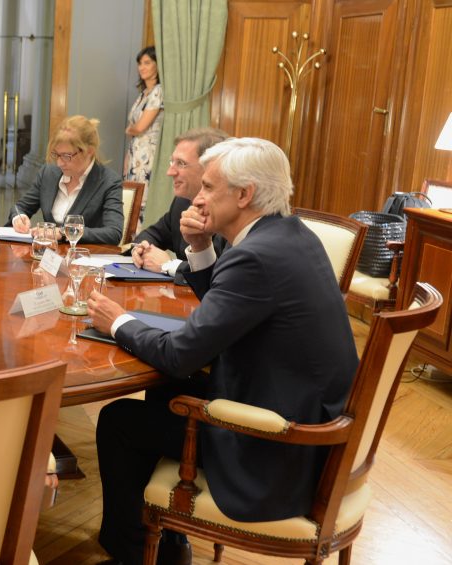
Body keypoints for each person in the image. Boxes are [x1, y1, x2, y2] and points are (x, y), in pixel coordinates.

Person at [85, 138, 359, 565]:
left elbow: (181, 354)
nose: (197, 198)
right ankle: (170, 546)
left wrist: (118, 322)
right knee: (170, 390)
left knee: (119, 420)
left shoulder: (256, 257)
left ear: (245, 194)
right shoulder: (290, 235)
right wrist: (199, 247)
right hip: (310, 423)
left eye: (209, 187)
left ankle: (133, 554)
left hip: (277, 447)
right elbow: (227, 309)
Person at [8, 115, 123, 245]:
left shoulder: (108, 182)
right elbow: (20, 207)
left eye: (67, 156)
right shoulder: (49, 173)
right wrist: (19, 218)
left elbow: (113, 233)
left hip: (84, 255)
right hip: (48, 254)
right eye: (56, 154)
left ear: (89, 151)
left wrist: (63, 233)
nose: (59, 163)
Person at [129, 128, 229, 277]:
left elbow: (223, 275)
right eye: (172, 162)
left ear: (210, 167)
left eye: (181, 163)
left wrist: (169, 265)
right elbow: (151, 235)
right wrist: (141, 249)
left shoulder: (230, 211)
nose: (170, 172)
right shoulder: (182, 202)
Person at [124, 46, 163, 183]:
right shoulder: (144, 93)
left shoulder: (159, 91)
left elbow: (139, 128)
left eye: (147, 63)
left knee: (143, 193)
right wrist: (127, 156)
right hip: (135, 152)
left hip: (148, 154)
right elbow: (135, 128)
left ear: (158, 65)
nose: (141, 67)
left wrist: (130, 130)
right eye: (140, 63)